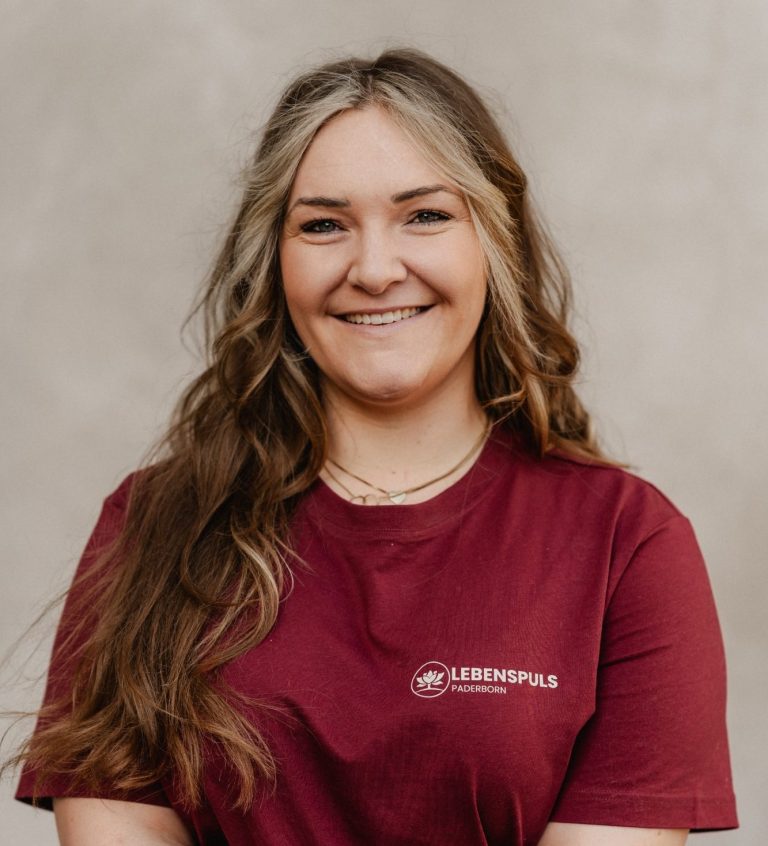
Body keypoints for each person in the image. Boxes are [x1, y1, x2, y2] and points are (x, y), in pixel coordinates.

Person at [11, 49, 737, 845]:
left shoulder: (628, 544)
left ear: (495, 244)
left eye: (425, 215)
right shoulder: (152, 526)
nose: (374, 269)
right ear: (274, 262)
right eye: (324, 225)